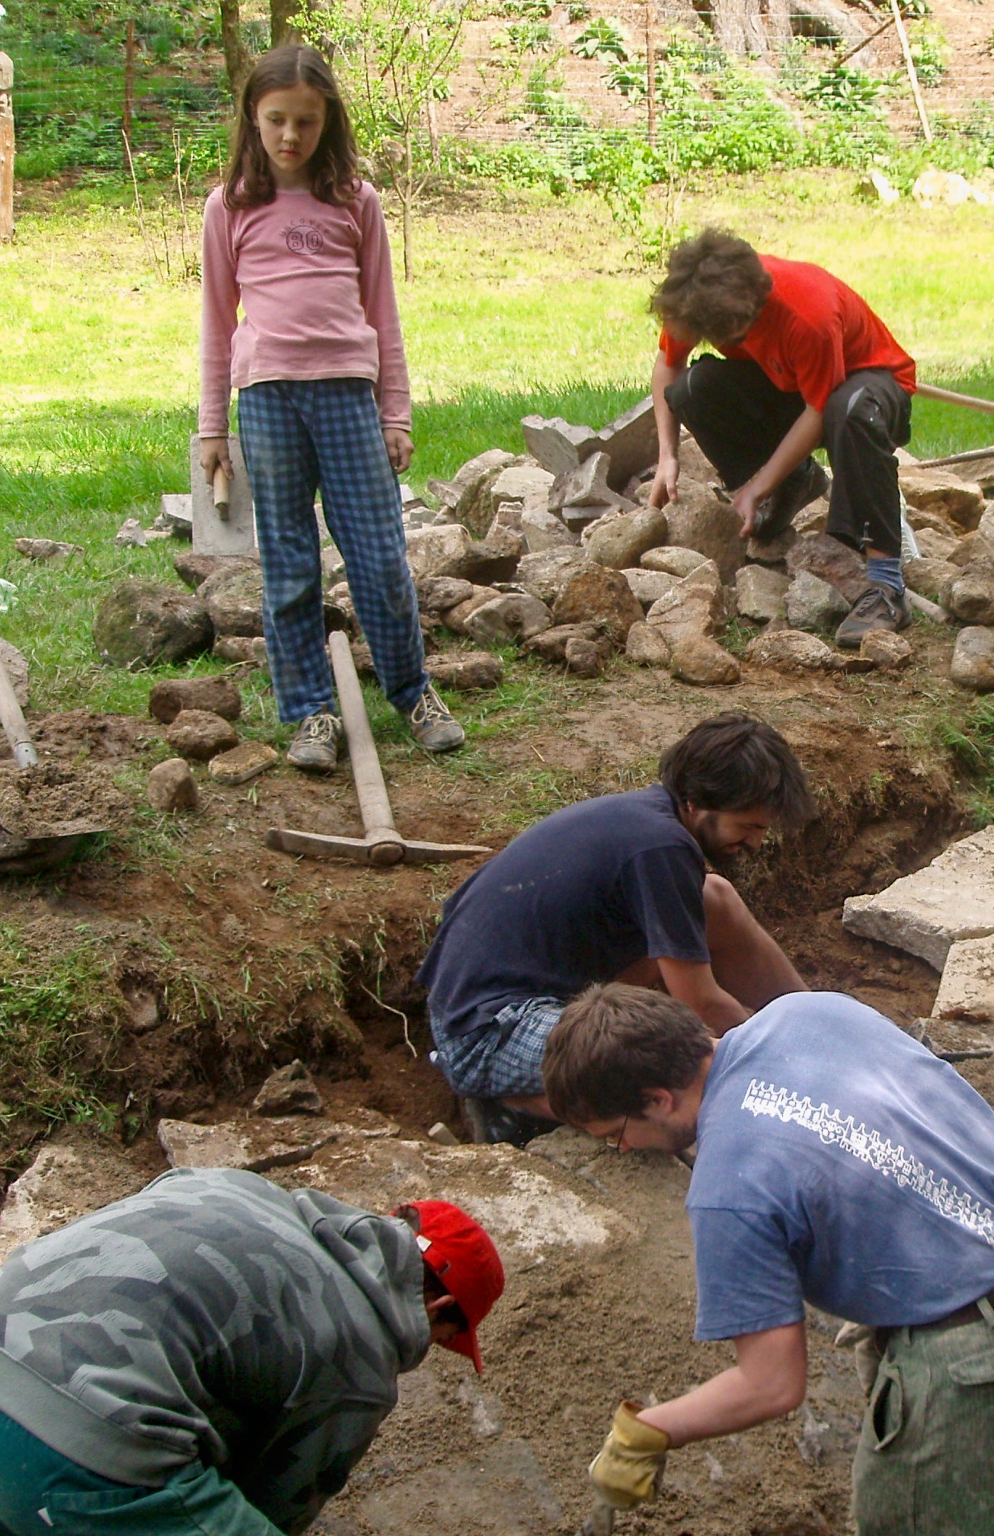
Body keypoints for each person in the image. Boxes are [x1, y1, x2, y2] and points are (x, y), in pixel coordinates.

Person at [544, 984, 994, 1536]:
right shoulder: (809, 1011)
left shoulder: (728, 1185)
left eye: (616, 1134)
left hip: (986, 1355)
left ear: (658, 1100)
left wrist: (647, 1431)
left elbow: (771, 1384)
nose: (621, 1148)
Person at [0, 1166, 503, 1536]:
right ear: (439, 1308)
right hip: (83, 1450)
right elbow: (273, 1506)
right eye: (445, 1340)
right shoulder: (364, 1355)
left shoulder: (235, 1183)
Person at [198, 44, 464, 767]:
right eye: (276, 120)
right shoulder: (230, 207)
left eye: (306, 122)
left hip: (349, 397)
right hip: (268, 401)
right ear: (253, 119)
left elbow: (384, 313)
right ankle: (311, 711)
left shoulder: (356, 200)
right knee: (289, 565)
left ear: (329, 122)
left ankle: (412, 691)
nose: (290, 136)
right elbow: (217, 324)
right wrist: (212, 426)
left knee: (378, 557)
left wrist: (395, 413)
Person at [415, 713, 813, 1145]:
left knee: (713, 899)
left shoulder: (649, 822)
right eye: (749, 826)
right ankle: (516, 1103)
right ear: (696, 801)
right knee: (668, 1069)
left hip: (501, 992)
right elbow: (700, 1003)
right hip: (485, 1031)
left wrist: (814, 1044)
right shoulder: (661, 847)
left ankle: (814, 1026)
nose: (756, 842)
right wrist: (779, 1068)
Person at [648, 229, 918, 649]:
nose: (714, 342)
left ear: (748, 314)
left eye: (722, 337)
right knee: (693, 389)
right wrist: (667, 455)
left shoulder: (807, 314)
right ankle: (796, 482)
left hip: (870, 387)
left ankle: (886, 587)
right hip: (794, 386)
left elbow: (818, 411)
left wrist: (758, 487)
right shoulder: (696, 297)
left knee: (848, 411)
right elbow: (669, 365)